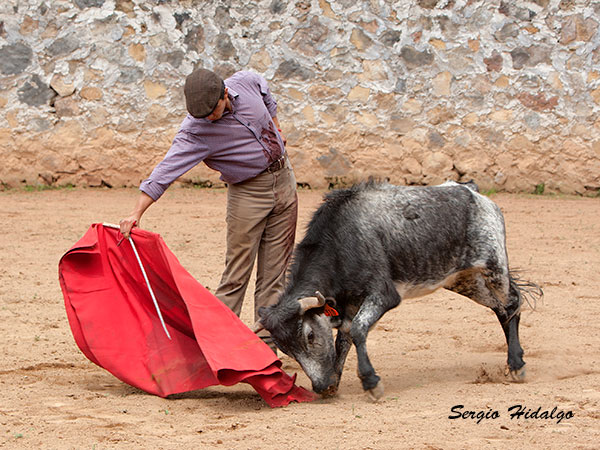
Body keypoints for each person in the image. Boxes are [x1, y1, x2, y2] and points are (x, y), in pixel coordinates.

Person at [119, 68, 297, 353]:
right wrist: (136, 212)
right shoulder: (195, 130)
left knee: (275, 274)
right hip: (247, 193)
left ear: (225, 93)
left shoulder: (246, 83)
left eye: (212, 112)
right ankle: (215, 349)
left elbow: (264, 90)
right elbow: (165, 170)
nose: (207, 119)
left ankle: (265, 351)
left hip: (285, 182)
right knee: (236, 273)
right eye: (201, 116)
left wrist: (276, 127)